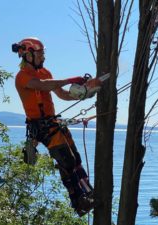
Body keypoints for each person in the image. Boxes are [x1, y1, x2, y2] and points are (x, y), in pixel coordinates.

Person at [12, 37, 100, 216]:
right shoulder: (22, 77)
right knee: (66, 162)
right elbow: (43, 86)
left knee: (75, 158)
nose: (43, 57)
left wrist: (82, 94)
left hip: (53, 122)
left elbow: (62, 95)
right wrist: (70, 79)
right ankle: (78, 201)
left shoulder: (45, 72)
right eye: (40, 53)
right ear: (28, 54)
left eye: (43, 53)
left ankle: (88, 190)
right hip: (41, 127)